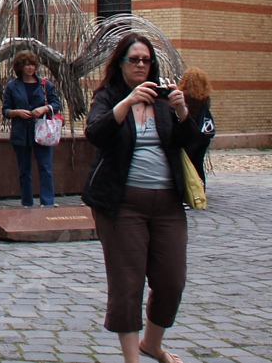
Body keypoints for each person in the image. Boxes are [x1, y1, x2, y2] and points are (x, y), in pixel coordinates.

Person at [82, 33, 195, 363]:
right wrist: (128, 102)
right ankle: (133, 359)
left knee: (172, 281)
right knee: (127, 283)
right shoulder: (108, 97)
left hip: (168, 206)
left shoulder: (163, 100)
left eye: (147, 60)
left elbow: (191, 142)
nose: (142, 66)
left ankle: (152, 344)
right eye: (135, 60)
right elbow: (96, 133)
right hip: (122, 205)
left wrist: (182, 111)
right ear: (120, 63)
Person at [2, 50, 61, 208]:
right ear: (20, 67)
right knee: (24, 170)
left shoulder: (45, 84)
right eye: (27, 64)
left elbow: (57, 104)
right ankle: (27, 202)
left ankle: (47, 202)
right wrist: (17, 112)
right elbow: (6, 110)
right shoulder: (12, 86)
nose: (30, 68)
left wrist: (44, 109)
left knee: (46, 168)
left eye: (33, 64)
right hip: (21, 133)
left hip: (42, 132)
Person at [176, 68, 215, 184]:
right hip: (203, 135)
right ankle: (200, 189)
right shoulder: (205, 97)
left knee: (186, 165)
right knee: (198, 164)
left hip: (189, 134)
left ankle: (189, 190)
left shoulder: (183, 96)